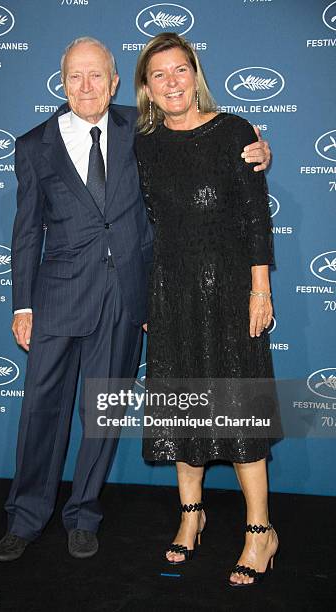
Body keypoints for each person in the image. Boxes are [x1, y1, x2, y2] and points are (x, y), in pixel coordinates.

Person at [0, 36, 270, 563]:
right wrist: (22, 304)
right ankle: (25, 517)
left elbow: (203, 147)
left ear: (116, 83)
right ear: (62, 82)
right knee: (41, 413)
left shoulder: (137, 128)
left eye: (98, 76)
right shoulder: (33, 145)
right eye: (76, 76)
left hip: (125, 300)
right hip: (57, 299)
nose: (87, 86)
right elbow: (26, 233)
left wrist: (256, 152)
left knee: (103, 413)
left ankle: (84, 515)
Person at [134, 33, 279, 586]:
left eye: (179, 70)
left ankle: (259, 531)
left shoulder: (235, 132)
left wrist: (260, 291)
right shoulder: (143, 143)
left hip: (232, 294)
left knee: (239, 405)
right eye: (158, 75)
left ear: (195, 73)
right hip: (171, 291)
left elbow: (255, 219)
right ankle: (190, 518)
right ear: (146, 88)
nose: (171, 82)